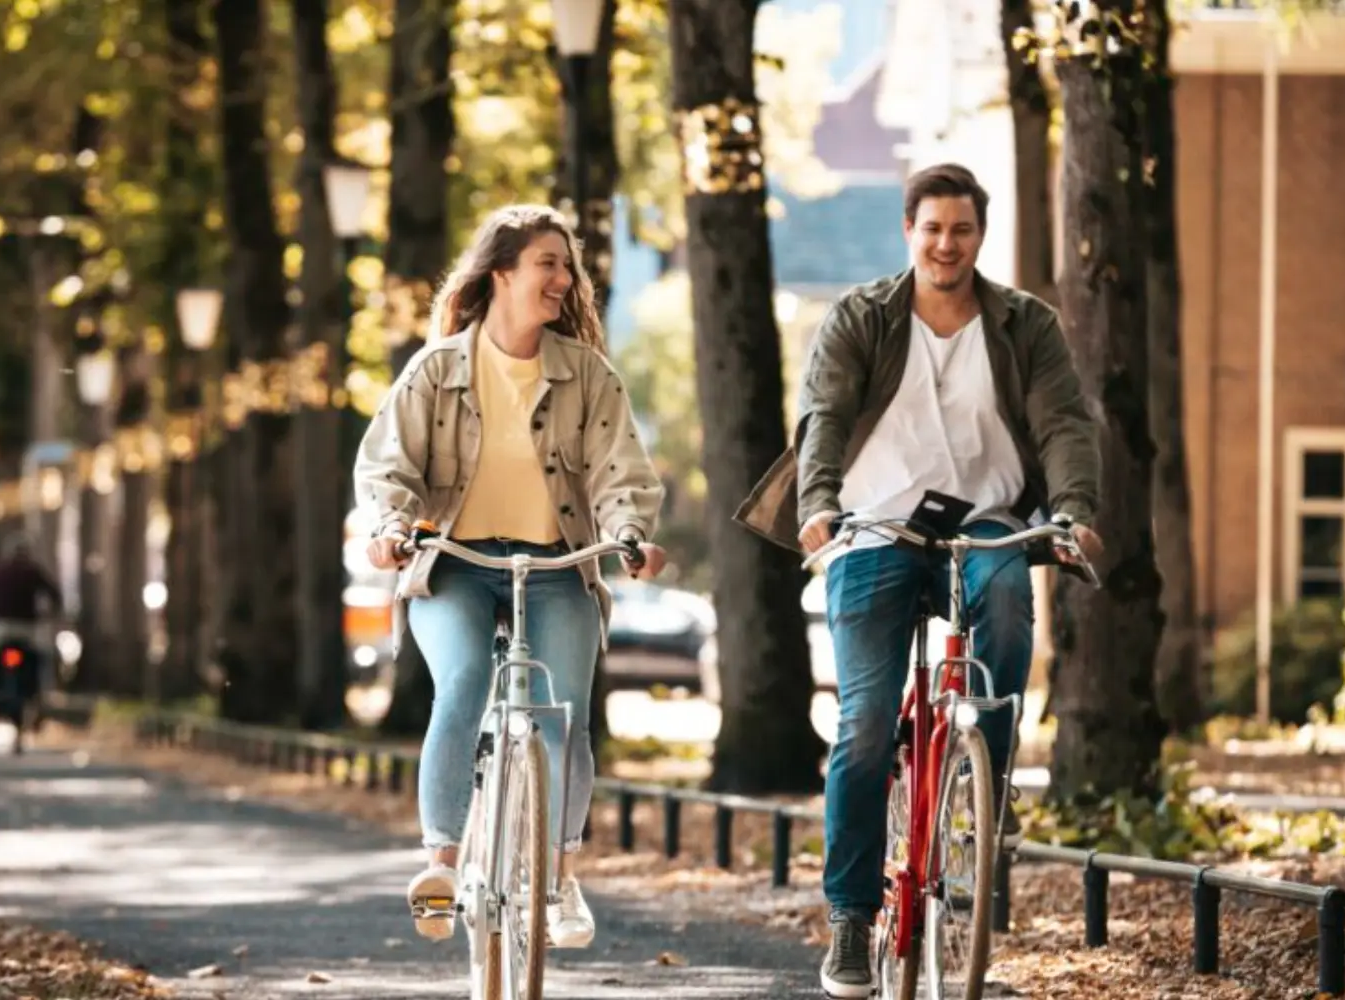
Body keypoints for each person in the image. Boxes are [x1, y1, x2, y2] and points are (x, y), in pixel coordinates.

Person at [734, 163, 1104, 998]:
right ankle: (850, 919)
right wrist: (819, 504)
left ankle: (982, 780)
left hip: (985, 522)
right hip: (874, 526)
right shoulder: (862, 317)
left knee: (1007, 601)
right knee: (864, 724)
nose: (947, 244)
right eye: (932, 228)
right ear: (909, 231)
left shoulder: (1024, 326)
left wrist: (1075, 509)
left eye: (962, 230)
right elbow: (824, 415)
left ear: (980, 235)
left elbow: (1062, 424)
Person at [355, 203, 667, 951]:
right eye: (547, 264)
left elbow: (621, 470)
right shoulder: (436, 370)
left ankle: (558, 880)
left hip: (557, 563)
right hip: (456, 563)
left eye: (568, 265)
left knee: (562, 712)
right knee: (462, 682)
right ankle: (441, 863)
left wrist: (628, 534)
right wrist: (390, 529)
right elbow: (386, 466)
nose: (563, 279)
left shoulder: (588, 376)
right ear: (501, 273)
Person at [0, 535, 63, 693]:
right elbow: (54, 593)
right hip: (28, 627)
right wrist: (51, 612)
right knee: (42, 657)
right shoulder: (34, 572)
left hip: (2, 626)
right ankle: (44, 691)